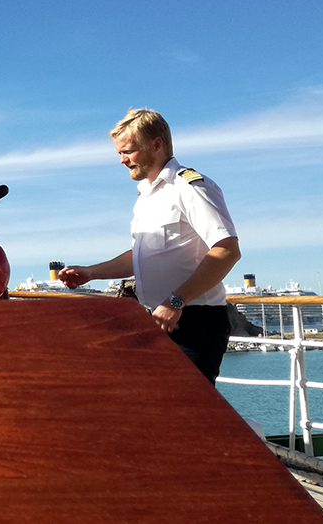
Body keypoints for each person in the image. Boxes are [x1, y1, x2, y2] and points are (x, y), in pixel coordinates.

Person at [58, 109, 241, 383]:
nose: (122, 160)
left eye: (128, 151)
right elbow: (143, 255)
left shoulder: (189, 186)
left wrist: (176, 301)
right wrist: (90, 273)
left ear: (157, 145)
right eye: (119, 153)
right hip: (159, 318)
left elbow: (227, 249)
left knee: (188, 413)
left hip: (194, 321)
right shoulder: (147, 194)